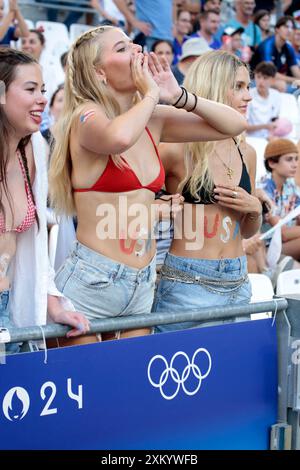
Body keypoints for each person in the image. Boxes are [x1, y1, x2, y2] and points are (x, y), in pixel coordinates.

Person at [49, 26, 247, 340]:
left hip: (141, 281)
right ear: (99, 72)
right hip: (92, 279)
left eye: (133, 43)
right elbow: (118, 137)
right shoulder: (85, 116)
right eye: (122, 48)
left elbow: (234, 125)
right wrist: (152, 93)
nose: (137, 50)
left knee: (133, 385)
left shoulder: (154, 118)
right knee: (88, 383)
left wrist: (179, 95)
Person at [152, 50, 262, 333]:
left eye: (248, 87)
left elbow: (248, 231)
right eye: (238, 87)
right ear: (213, 85)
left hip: (238, 281)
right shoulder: (176, 149)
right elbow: (131, 204)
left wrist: (254, 210)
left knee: (233, 374)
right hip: (188, 284)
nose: (248, 96)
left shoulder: (247, 152)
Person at [0, 48, 90, 353]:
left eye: (43, 90)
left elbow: (36, 244)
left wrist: (53, 305)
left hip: (11, 308)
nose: (41, 99)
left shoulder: (34, 148)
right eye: (29, 90)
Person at [259, 138, 300, 261]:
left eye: (296, 159)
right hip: (266, 249)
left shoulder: (290, 186)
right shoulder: (263, 189)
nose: (295, 164)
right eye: (289, 159)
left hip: (284, 245)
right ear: (272, 163)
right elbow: (283, 233)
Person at [252, 16, 300, 93]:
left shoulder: (288, 47)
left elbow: (296, 71)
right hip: (255, 80)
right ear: (277, 29)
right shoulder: (267, 46)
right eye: (286, 27)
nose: (289, 30)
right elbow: (270, 72)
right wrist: (295, 80)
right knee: (281, 85)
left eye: (291, 28)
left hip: (271, 79)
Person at [246, 61, 281, 139]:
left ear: (273, 80)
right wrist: (266, 126)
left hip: (270, 138)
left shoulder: (276, 95)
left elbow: (275, 120)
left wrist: (271, 135)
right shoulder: (248, 95)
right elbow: (244, 127)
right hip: (252, 139)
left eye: (265, 78)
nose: (261, 81)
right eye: (258, 77)